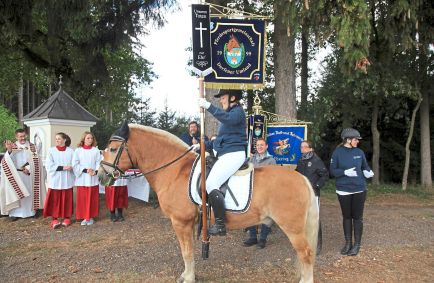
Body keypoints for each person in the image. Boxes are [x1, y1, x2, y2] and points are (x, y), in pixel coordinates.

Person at [197, 89, 247, 236]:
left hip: (234, 154)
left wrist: (208, 106)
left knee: (211, 183)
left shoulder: (237, 112)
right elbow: (219, 140)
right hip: (227, 153)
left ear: (232, 98)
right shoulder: (228, 117)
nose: (221, 100)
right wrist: (202, 145)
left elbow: (227, 118)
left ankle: (220, 224)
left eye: (223, 97)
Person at [330, 128, 374, 256]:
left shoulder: (359, 152)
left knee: (358, 217)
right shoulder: (337, 153)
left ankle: (357, 245)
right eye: (355, 139)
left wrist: (367, 171)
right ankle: (348, 243)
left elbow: (365, 166)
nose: (357, 142)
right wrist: (344, 172)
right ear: (348, 140)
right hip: (343, 189)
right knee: (347, 216)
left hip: (359, 189)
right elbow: (332, 171)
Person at [0, 129, 46, 220]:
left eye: (24, 136)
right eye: (20, 136)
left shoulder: (32, 147)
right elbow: (6, 161)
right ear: (16, 137)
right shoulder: (12, 146)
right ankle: (15, 214)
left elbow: (37, 161)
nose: (23, 138)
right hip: (17, 175)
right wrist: (9, 150)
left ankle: (30, 212)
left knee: (29, 193)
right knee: (17, 193)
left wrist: (28, 168)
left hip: (29, 174)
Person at [296, 140, 329, 254]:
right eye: (301, 147)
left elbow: (325, 175)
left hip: (314, 194)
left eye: (305, 147)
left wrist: (317, 185)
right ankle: (305, 243)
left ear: (311, 149)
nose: (303, 149)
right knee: (304, 219)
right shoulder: (301, 160)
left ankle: (317, 245)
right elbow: (297, 175)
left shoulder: (316, 160)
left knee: (315, 219)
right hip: (301, 194)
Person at [243, 138, 276, 249]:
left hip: (266, 192)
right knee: (251, 213)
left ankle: (262, 239)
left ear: (266, 146)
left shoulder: (271, 160)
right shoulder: (251, 159)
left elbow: (273, 178)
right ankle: (253, 237)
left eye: (262, 145)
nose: (260, 147)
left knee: (266, 215)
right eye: (258, 145)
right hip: (253, 191)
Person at [43, 133, 75, 229]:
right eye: (56, 139)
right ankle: (54, 219)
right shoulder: (51, 150)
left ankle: (67, 217)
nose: (57, 141)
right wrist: (63, 167)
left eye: (59, 139)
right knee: (55, 200)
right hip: (55, 179)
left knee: (67, 199)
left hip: (67, 179)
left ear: (64, 140)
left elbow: (74, 163)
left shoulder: (71, 151)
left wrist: (72, 167)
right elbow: (49, 164)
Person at [72, 131, 101, 226]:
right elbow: (75, 164)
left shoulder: (96, 151)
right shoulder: (78, 150)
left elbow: (99, 163)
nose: (90, 140)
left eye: (91, 138)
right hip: (82, 178)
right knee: (83, 199)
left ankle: (90, 217)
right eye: (88, 138)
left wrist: (95, 171)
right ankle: (84, 217)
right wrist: (85, 170)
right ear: (83, 139)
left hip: (92, 178)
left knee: (91, 198)